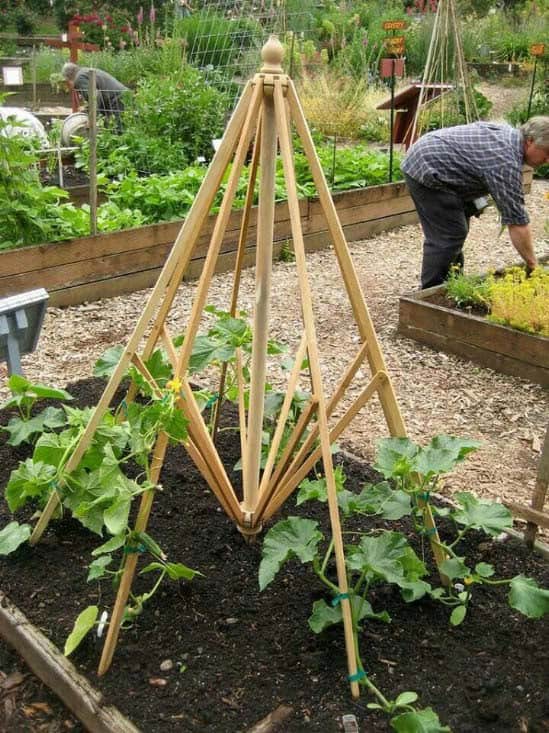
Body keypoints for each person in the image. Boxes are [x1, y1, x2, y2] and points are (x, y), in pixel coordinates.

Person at [401, 116, 549, 289]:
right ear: (530, 141)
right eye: (547, 152)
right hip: (427, 167)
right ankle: (430, 293)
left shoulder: (510, 138)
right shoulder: (504, 161)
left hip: (437, 162)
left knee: (455, 229)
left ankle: (452, 284)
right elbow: (516, 221)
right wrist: (533, 265)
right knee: (449, 234)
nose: (548, 160)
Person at [61, 62, 129, 131]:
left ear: (68, 77)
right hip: (121, 96)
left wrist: (91, 120)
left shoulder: (79, 79)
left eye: (66, 82)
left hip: (117, 99)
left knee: (117, 131)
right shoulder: (84, 72)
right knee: (113, 128)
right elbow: (95, 96)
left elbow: (95, 96)